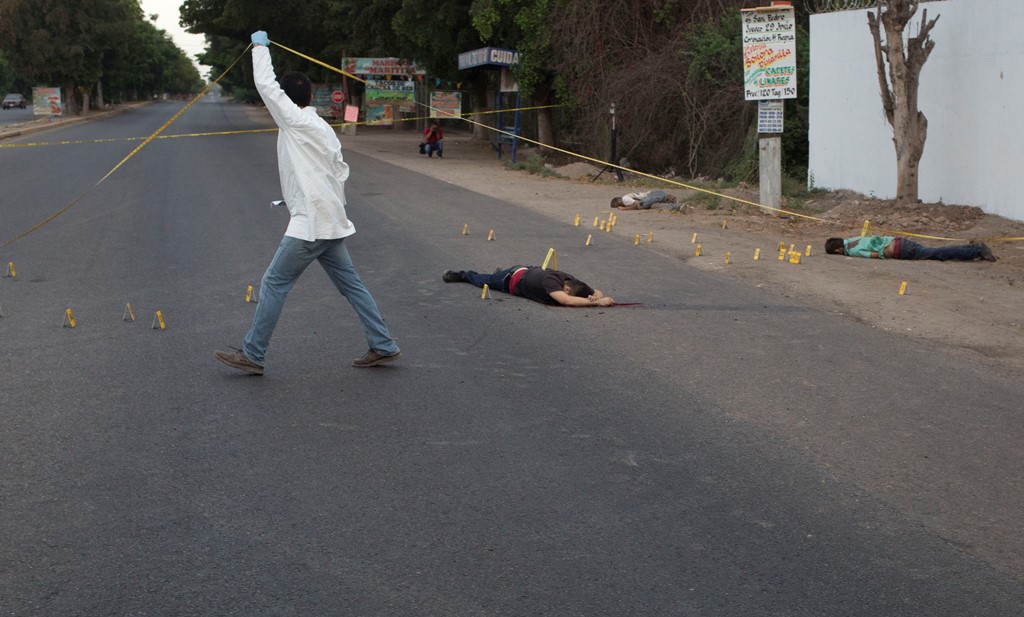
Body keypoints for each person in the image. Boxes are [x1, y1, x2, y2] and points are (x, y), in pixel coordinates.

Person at [215, 31, 401, 375]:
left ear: (287, 100)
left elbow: (266, 84)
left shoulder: (294, 120)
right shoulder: (321, 126)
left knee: (273, 283)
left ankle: (253, 353)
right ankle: (384, 345)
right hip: (330, 219)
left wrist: (259, 47)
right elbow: (338, 171)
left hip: (312, 223)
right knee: (353, 286)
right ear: (311, 95)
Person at [442, 267, 615, 307]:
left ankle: (498, 272)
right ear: (566, 286)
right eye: (566, 290)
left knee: (494, 275)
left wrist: (595, 296)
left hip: (525, 272)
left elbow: (595, 290)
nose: (564, 291)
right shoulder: (552, 283)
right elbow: (565, 300)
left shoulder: (571, 280)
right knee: (484, 280)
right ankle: (464, 274)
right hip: (509, 280)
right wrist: (596, 303)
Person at [824, 235, 997, 262]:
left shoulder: (852, 251)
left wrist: (885, 255)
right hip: (899, 241)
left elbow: (875, 255)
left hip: (901, 250)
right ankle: (972, 249)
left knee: (937, 253)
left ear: (838, 251)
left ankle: (975, 250)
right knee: (936, 251)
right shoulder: (853, 239)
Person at [611, 189, 678, 210]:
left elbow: (638, 205)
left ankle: (667, 197)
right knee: (654, 206)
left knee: (641, 205)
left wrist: (625, 209)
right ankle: (677, 206)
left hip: (653, 195)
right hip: (655, 194)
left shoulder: (625, 199)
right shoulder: (626, 197)